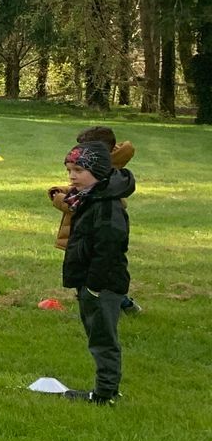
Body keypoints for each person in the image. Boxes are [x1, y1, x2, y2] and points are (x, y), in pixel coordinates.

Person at [58, 142, 134, 405]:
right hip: (91, 283)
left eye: (78, 169)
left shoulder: (106, 205)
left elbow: (109, 250)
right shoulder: (90, 198)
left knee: (103, 340)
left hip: (102, 286)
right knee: (97, 336)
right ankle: (107, 390)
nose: (72, 176)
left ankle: (104, 394)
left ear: (99, 171)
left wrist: (94, 287)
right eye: (69, 170)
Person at [50, 125, 139, 315]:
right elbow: (81, 193)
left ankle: (107, 303)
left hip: (90, 233)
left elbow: (81, 202)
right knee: (88, 267)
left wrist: (58, 198)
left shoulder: (103, 173)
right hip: (84, 232)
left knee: (95, 269)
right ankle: (103, 300)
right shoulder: (105, 170)